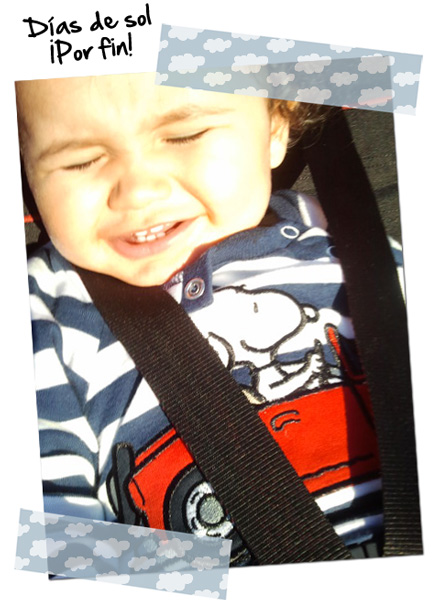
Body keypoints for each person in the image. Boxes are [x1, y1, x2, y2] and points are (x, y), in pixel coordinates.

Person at [16, 72, 395, 565]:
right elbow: (54, 545)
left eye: (185, 135)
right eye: (80, 161)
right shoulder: (46, 313)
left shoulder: (349, 242)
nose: (138, 192)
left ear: (275, 129)